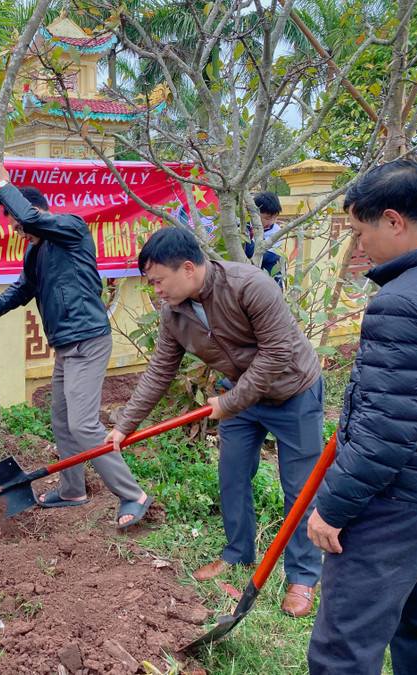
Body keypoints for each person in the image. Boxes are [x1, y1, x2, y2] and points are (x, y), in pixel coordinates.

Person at [105, 226, 324, 616]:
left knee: (300, 488)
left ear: (188, 268)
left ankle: (303, 577)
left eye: (158, 281)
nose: (155, 289)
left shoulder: (249, 285)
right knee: (232, 474)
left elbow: (277, 353)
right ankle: (238, 554)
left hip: (293, 392)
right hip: (240, 396)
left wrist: (229, 402)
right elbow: (160, 371)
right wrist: (126, 425)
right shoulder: (174, 312)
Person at [307, 160, 417, 674]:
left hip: (398, 499)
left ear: (393, 220)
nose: (358, 248)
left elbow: (385, 433)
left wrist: (332, 508)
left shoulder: (401, 302)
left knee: (345, 647)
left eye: (359, 231)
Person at [0, 158, 152, 529]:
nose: (20, 232)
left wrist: (4, 184)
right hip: (65, 345)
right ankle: (73, 490)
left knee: (84, 424)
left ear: (34, 211)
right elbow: (25, 288)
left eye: (19, 224)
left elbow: (35, 221)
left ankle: (132, 494)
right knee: (61, 418)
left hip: (88, 338)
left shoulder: (71, 227)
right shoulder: (36, 251)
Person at [245, 191, 284, 287]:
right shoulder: (244, 227)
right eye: (267, 218)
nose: (272, 221)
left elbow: (266, 256)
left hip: (267, 273)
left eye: (275, 217)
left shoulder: (276, 231)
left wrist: (249, 247)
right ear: (255, 214)